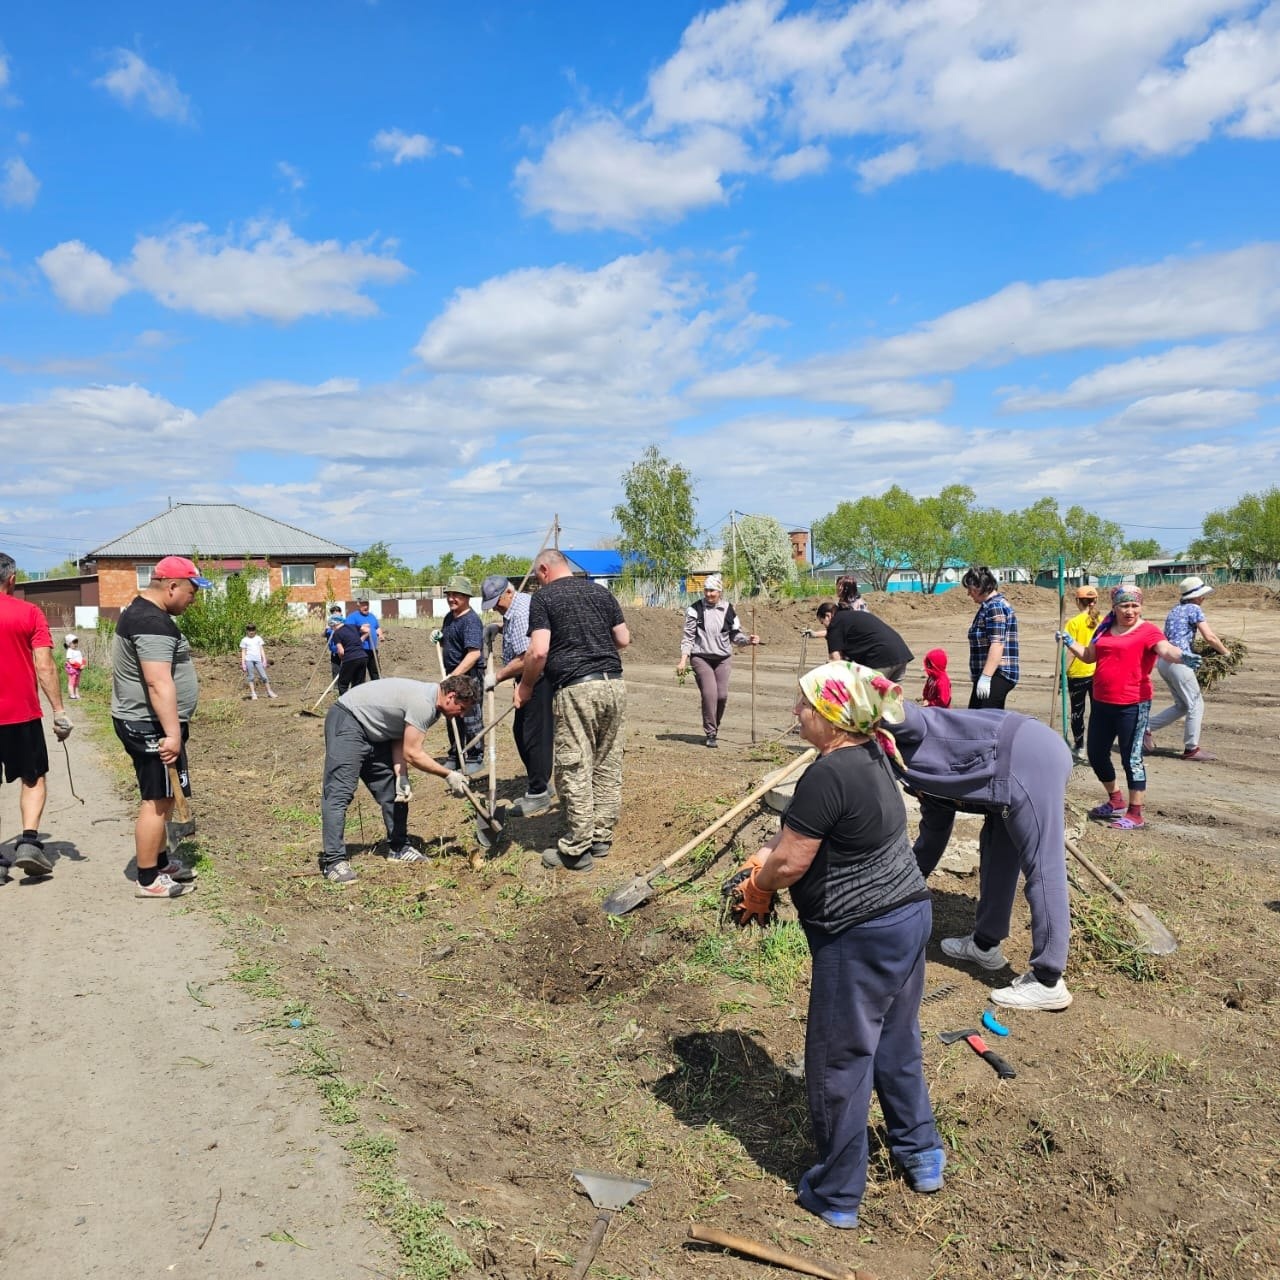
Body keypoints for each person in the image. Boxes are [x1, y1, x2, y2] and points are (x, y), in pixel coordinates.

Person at [723, 661, 942, 1228]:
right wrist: (765, 857)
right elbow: (801, 834)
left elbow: (792, 862)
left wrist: (758, 884)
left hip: (860, 933)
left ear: (831, 716)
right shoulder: (872, 751)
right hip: (908, 914)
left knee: (840, 1060)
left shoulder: (827, 774)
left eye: (803, 705)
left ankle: (837, 1193)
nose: (795, 712)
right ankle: (921, 1154)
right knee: (896, 1039)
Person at [899, 700, 1074, 1011]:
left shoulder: (907, 736)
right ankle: (984, 944)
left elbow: (909, 717)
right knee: (997, 848)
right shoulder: (913, 771)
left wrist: (873, 705)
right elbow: (933, 834)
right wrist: (903, 889)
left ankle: (1048, 979)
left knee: (1043, 865)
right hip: (1002, 773)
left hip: (1027, 756)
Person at [515, 549, 629, 872]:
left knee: (574, 765)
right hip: (614, 685)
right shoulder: (600, 592)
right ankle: (600, 837)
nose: (538, 581)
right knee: (607, 762)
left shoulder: (544, 598)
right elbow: (623, 638)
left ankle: (576, 849)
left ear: (543, 570)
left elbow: (538, 652)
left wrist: (525, 687)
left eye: (538, 577)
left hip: (577, 688)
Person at [1057, 586, 1201, 831]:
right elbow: (1089, 656)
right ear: (1114, 607)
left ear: (1141, 606)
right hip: (1102, 702)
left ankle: (1136, 813)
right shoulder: (1103, 628)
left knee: (1131, 757)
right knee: (1096, 753)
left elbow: (1165, 649)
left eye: (1135, 606)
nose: (1130, 610)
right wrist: (1069, 642)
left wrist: (1182, 656)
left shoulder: (1148, 631)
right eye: (1125, 605)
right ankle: (1115, 799)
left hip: (1133, 704)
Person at [110, 555, 209, 899]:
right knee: (157, 798)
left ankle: (161, 860)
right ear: (172, 586)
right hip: (149, 724)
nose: (193, 599)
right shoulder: (151, 621)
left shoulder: (148, 615)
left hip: (153, 721)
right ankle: (148, 878)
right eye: (192, 592)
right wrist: (171, 733)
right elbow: (157, 683)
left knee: (165, 796)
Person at [319, 674, 480, 884]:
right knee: (339, 792)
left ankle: (398, 847)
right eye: (462, 709)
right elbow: (413, 753)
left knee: (394, 793)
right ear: (451, 696)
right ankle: (333, 861)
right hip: (349, 720)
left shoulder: (433, 704)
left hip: (375, 733)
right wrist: (449, 774)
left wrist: (401, 776)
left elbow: (397, 735)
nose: (461, 715)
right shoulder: (425, 704)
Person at [0, 554, 73, 880]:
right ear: (12, 579)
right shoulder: (28, 612)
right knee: (33, 777)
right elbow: (44, 665)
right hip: (20, 715)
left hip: (18, 714)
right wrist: (59, 711)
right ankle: (29, 842)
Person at [482, 573, 555, 817]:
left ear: (508, 593)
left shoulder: (522, 611)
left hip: (537, 679)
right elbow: (519, 632)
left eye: (497, 604)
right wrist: (499, 628)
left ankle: (538, 793)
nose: (496, 610)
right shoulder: (515, 609)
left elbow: (527, 657)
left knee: (534, 735)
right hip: (528, 678)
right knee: (523, 733)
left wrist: (498, 676)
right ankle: (542, 782)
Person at [1146, 576, 1230, 762]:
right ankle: (1191, 749)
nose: (1203, 598)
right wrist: (1226, 654)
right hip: (1180, 661)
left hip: (1164, 661)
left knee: (1182, 705)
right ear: (1197, 596)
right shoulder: (1195, 609)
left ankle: (1146, 727)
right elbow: (1210, 637)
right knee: (1195, 704)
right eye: (1202, 595)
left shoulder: (1175, 610)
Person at [676, 574, 760, 747]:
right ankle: (711, 732)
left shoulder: (728, 610)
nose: (708, 594)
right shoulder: (695, 610)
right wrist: (683, 660)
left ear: (719, 591)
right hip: (701, 657)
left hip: (723, 658)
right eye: (706, 590)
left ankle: (715, 725)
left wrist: (748, 641)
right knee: (710, 693)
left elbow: (735, 635)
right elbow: (688, 637)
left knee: (721, 696)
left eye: (712, 590)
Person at [440, 575, 485, 775]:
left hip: (469, 678)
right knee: (451, 714)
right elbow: (449, 643)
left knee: (470, 717)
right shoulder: (449, 618)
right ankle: (455, 754)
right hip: (453, 676)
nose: (451, 598)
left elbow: (474, 653)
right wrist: (439, 638)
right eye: (449, 594)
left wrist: (454, 675)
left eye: (456, 595)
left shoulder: (471, 621)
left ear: (466, 597)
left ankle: (476, 755)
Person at [963, 567, 1019, 708]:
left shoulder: (995, 607)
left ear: (979, 587)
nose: (969, 594)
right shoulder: (988, 606)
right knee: (978, 720)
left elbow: (997, 644)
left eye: (970, 589)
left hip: (997, 674)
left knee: (983, 723)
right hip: (991, 674)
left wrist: (986, 677)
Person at [824, 601, 912, 681]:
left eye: (822, 622)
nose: (824, 626)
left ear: (828, 616)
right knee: (894, 696)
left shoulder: (835, 623)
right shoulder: (853, 616)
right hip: (900, 653)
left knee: (867, 694)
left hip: (881, 658)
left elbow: (836, 660)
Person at [1064, 585, 1100, 760]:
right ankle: (1096, 745)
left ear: (1078, 601)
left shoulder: (1073, 622)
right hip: (1097, 673)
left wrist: (1063, 673)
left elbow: (1071, 651)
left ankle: (1079, 747)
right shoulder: (1102, 620)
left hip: (1077, 674)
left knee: (1077, 712)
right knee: (1097, 712)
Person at [344, 599, 381, 680]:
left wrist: (380, 634)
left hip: (372, 650)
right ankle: (359, 690)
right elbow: (347, 630)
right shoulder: (352, 617)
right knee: (360, 673)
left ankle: (377, 689)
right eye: (363, 605)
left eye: (367, 604)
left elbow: (377, 627)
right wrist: (360, 629)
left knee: (375, 672)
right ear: (358, 605)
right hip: (360, 650)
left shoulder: (372, 616)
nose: (366, 607)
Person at [239, 623, 277, 700]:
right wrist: (243, 663)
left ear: (255, 630)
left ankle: (269, 692)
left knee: (264, 676)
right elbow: (243, 652)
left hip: (258, 660)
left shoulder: (258, 638)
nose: (251, 632)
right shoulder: (244, 640)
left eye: (253, 630)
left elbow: (261, 649)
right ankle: (253, 693)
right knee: (251, 677)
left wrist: (264, 660)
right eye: (249, 630)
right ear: (247, 631)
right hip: (249, 660)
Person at [332, 618, 369, 694]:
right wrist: (360, 640)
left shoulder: (336, 633)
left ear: (334, 625)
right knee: (358, 684)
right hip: (363, 657)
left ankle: (344, 703)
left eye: (332, 627)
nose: (332, 629)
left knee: (343, 684)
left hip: (350, 658)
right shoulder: (352, 626)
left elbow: (341, 651)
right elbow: (367, 630)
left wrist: (342, 658)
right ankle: (357, 702)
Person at [324, 603, 345, 680]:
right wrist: (326, 629)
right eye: (333, 613)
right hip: (334, 651)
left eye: (337, 612)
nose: (335, 615)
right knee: (335, 669)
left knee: (346, 669)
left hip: (344, 650)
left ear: (340, 613)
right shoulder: (330, 624)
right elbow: (324, 635)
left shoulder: (344, 622)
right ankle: (336, 687)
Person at [64, 633, 86, 700]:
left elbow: (82, 659)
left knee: (77, 682)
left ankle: (77, 694)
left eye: (76, 642)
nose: (75, 644)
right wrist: (79, 665)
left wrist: (83, 664)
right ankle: (72, 694)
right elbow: (71, 661)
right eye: (74, 642)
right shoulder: (69, 651)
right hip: (72, 670)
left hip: (78, 669)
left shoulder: (78, 651)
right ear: (69, 643)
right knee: (72, 682)